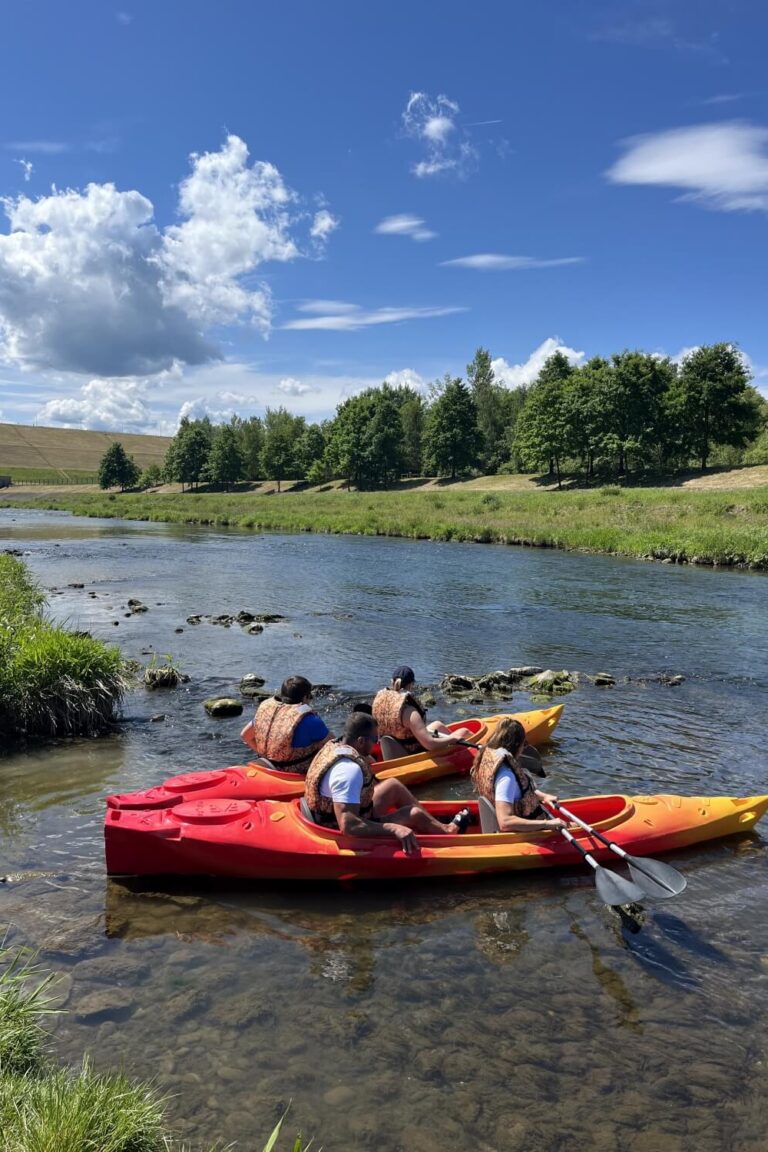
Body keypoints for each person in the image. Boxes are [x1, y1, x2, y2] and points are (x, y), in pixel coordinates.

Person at [304, 711, 472, 853]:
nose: (376, 743)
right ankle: (448, 832)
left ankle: (431, 825)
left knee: (393, 786)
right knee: (414, 814)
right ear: (360, 741)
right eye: (374, 739)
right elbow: (348, 825)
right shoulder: (349, 770)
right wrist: (394, 828)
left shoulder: (334, 746)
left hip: (334, 813)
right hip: (338, 828)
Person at [470, 717, 566, 834]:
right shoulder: (507, 777)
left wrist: (544, 796)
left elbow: (518, 792)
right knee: (570, 826)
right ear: (517, 745)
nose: (524, 748)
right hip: (517, 832)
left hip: (492, 821)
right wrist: (548, 824)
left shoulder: (491, 762)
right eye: (524, 744)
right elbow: (505, 822)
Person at [372, 665, 473, 755]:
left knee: (438, 725)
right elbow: (430, 745)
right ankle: (468, 754)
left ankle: (453, 750)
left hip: (391, 750)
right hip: (410, 754)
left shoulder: (380, 702)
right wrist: (453, 739)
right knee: (464, 731)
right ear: (411, 685)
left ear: (392, 682)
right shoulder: (410, 712)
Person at [240, 675, 332, 774]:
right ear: (305, 697)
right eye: (310, 696)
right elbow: (333, 746)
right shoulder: (310, 720)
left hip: (265, 765)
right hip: (293, 773)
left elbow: (245, 735)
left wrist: (265, 756)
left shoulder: (267, 711)